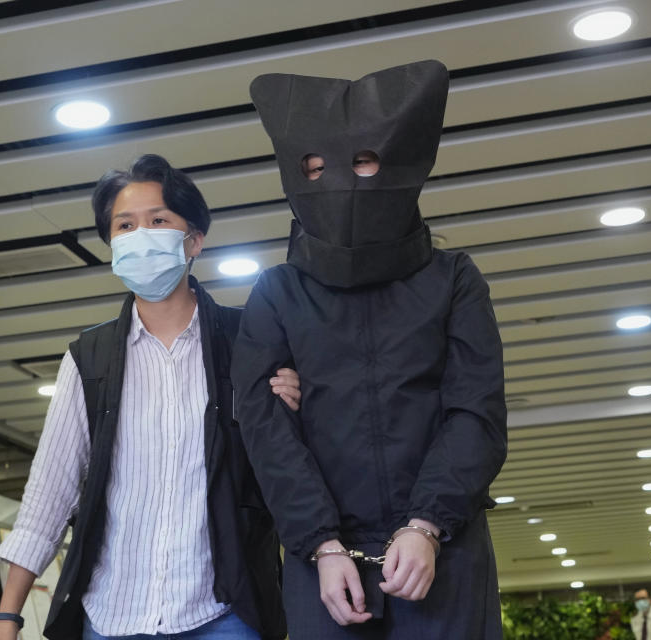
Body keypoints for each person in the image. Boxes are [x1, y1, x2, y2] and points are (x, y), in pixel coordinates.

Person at [231, 61, 508, 639]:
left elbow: (475, 410)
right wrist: (319, 544)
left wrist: (427, 523)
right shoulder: (276, 292)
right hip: (323, 563)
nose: (340, 181)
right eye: (314, 167)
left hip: (443, 547)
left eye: (363, 161)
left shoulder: (454, 279)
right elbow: (265, 430)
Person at [0, 154, 296, 640]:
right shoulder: (89, 360)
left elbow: (289, 469)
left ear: (193, 239)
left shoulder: (250, 343)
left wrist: (293, 406)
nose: (140, 236)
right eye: (124, 225)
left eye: (158, 221)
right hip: (112, 615)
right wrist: (7, 617)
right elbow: (50, 494)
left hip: (224, 612)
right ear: (111, 244)